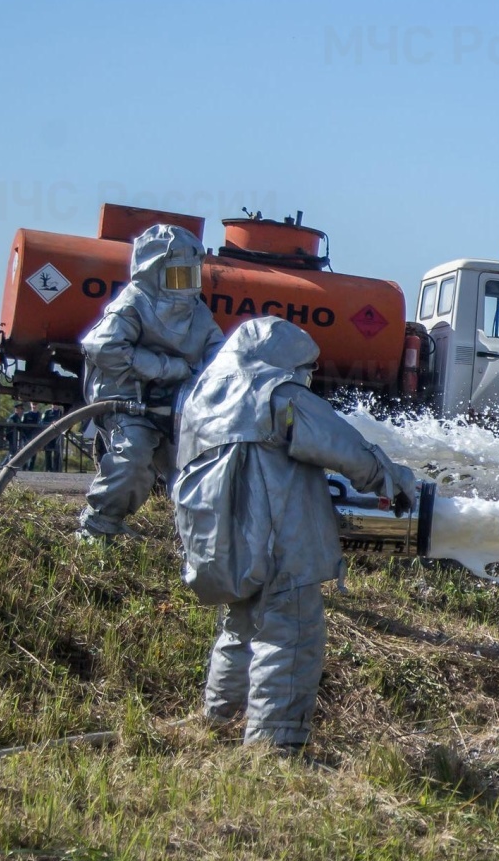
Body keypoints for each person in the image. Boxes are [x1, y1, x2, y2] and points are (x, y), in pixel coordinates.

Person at [171, 317, 419, 752]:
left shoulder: (200, 398)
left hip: (222, 545)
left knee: (239, 630)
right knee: (291, 634)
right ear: (283, 362)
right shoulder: (276, 395)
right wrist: (388, 477)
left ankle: (220, 724)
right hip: (278, 538)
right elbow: (337, 442)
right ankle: (273, 747)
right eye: (304, 368)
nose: (306, 378)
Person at [77, 225, 225, 539]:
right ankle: (98, 529)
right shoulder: (133, 304)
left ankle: (199, 544)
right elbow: (101, 347)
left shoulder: (198, 313)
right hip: (127, 401)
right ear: (154, 271)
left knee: (196, 472)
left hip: (175, 407)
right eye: (178, 276)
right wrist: (168, 368)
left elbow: (218, 355)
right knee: (131, 461)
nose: (186, 286)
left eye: (191, 275)